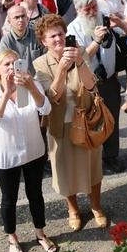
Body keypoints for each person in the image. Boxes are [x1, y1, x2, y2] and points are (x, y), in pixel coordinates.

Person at [33, 14, 107, 232]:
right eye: (53, 36)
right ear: (43, 41)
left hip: (87, 120)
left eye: (61, 34)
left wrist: (80, 62)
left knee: (93, 166)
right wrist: (62, 69)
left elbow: (92, 86)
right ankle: (73, 209)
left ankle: (96, 206)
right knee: (64, 171)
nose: (59, 39)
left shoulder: (79, 51)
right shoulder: (40, 64)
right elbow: (52, 97)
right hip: (60, 124)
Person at [0, 50, 56, 252]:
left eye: (16, 63)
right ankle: (12, 238)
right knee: (9, 199)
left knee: (36, 194)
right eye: (6, 64)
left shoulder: (31, 86)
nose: (12, 67)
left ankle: (40, 233)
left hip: (34, 151)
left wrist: (31, 86)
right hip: (7, 156)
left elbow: (46, 109)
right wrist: (7, 93)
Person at [66, 0, 127, 174]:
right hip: (88, 84)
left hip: (110, 80)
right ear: (77, 10)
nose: (91, 12)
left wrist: (119, 22)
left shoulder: (104, 18)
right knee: (91, 122)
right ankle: (93, 157)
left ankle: (111, 156)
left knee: (111, 120)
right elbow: (80, 58)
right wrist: (96, 41)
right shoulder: (73, 29)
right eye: (87, 9)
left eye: (94, 7)